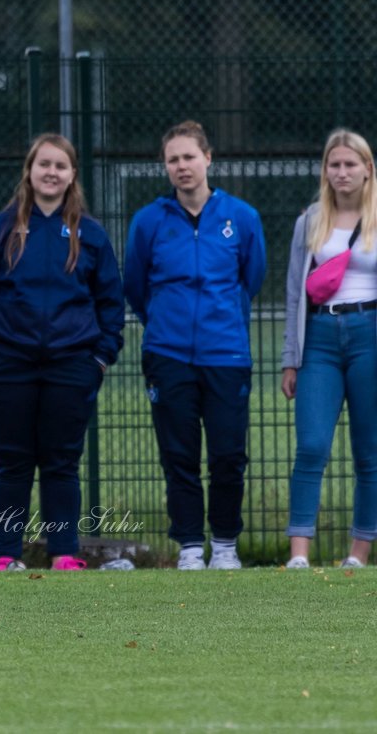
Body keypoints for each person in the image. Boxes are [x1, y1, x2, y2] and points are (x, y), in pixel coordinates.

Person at [0, 133, 124, 572]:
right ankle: (6, 555)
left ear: (72, 175)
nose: (51, 172)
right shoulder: (1, 230)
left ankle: (63, 553)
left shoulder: (90, 235)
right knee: (12, 461)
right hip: (7, 366)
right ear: (29, 171)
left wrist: (99, 358)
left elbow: (111, 303)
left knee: (61, 462)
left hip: (72, 367)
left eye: (60, 166)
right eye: (43, 164)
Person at [123, 120, 266, 570]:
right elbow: (135, 286)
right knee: (178, 454)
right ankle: (189, 546)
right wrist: (165, 322)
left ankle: (224, 544)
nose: (182, 166)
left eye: (189, 156)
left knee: (228, 454)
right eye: (173, 159)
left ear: (208, 158)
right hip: (168, 356)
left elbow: (252, 277)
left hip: (227, 355)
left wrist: (221, 320)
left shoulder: (241, 217)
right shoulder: (149, 221)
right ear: (164, 166)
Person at [281, 129, 377, 569]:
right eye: (334, 165)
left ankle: (358, 554)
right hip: (319, 338)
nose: (341, 172)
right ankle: (299, 554)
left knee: (368, 451)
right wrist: (290, 359)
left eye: (350, 164)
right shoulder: (310, 220)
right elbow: (294, 294)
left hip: (369, 334)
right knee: (312, 446)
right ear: (325, 170)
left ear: (367, 168)